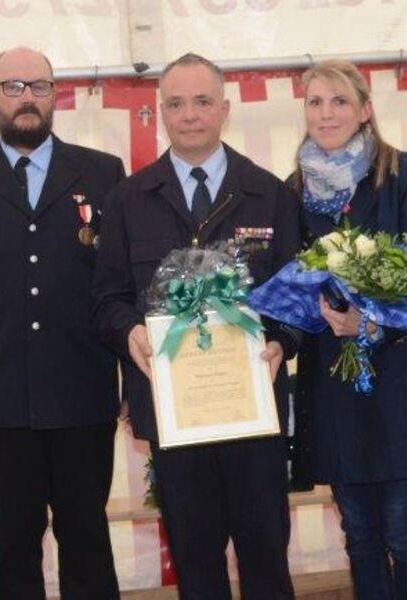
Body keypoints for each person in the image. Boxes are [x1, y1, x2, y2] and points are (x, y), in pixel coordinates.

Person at [92, 53, 300, 600]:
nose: (189, 115)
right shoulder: (129, 199)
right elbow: (107, 298)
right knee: (195, 559)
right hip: (174, 413)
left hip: (253, 412)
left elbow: (295, 296)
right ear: (161, 111)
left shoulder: (270, 192)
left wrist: (282, 340)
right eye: (177, 104)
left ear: (225, 109)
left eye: (202, 101)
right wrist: (129, 331)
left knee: (265, 556)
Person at [290, 59, 407, 600]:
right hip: (334, 380)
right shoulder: (293, 185)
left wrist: (370, 321)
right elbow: (295, 275)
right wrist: (313, 310)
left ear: (365, 110)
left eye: (340, 101)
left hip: (400, 376)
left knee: (403, 530)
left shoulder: (401, 171)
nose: (327, 113)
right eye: (316, 102)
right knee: (360, 534)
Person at [0, 47, 125, 599]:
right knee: (10, 545)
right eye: (13, 86)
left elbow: (121, 283)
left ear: (56, 95)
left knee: (87, 543)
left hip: (83, 392)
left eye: (40, 86)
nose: (27, 98)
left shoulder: (103, 173)